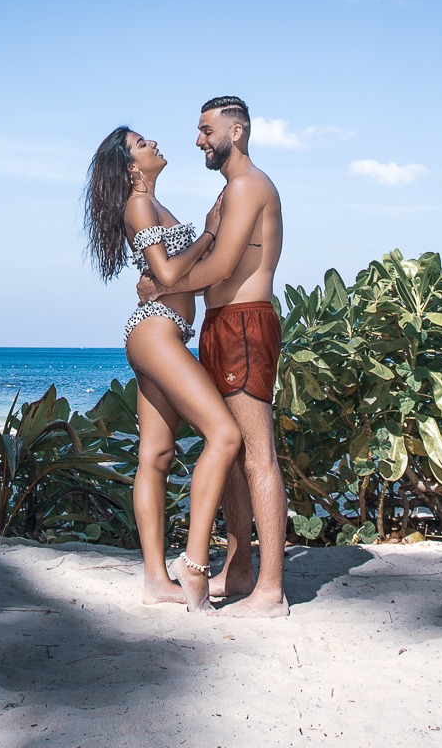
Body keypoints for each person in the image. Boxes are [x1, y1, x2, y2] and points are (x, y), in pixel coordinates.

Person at [135, 95, 290, 618]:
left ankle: (270, 589)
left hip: (246, 324)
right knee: (230, 459)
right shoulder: (225, 196)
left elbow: (224, 267)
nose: (199, 140)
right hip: (220, 326)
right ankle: (240, 566)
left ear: (236, 132)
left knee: (256, 453)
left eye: (206, 130)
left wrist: (162, 286)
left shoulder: (250, 187)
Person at [83, 124, 244, 611]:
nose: (152, 142)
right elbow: (172, 274)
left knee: (156, 456)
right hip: (156, 332)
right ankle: (192, 565)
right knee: (225, 434)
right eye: (140, 143)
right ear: (132, 167)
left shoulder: (154, 204)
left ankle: (155, 579)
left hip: (160, 330)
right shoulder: (139, 205)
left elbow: (173, 275)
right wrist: (212, 232)